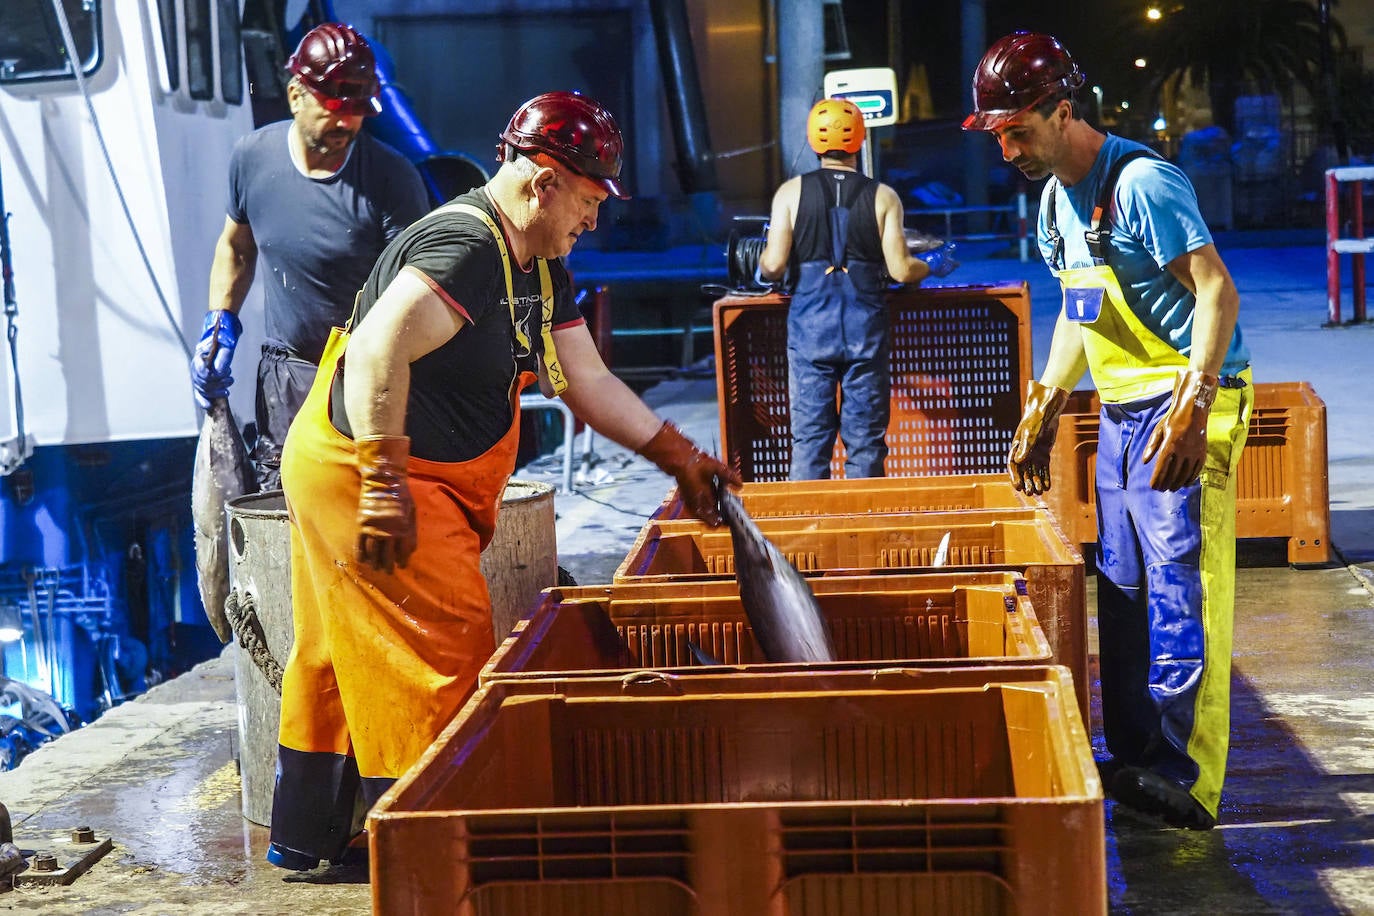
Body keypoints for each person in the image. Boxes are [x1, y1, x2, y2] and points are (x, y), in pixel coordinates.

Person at [264, 90, 741, 870]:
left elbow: (584, 378)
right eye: (589, 201)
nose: (594, 221)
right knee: (440, 659)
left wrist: (680, 457)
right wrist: (384, 484)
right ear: (543, 181)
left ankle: (306, 834)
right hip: (376, 469)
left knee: (333, 651)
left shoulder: (539, 265)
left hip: (365, 462)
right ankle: (422, 850)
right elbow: (379, 349)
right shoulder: (467, 245)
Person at [964, 32, 1253, 830]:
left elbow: (1215, 293)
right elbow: (1078, 305)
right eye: (998, 134)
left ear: (1064, 111)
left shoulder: (1143, 183)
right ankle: (1132, 759)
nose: (1008, 148)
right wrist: (1045, 402)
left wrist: (1194, 406)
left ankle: (1186, 776)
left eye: (1018, 129)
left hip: (1185, 401)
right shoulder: (1056, 199)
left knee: (1179, 585)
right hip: (1121, 409)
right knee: (1121, 588)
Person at [190, 22, 429, 490]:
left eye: (357, 111)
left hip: (365, 378)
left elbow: (416, 299)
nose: (346, 124)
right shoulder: (252, 158)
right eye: (334, 108)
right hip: (286, 378)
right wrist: (220, 320)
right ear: (296, 93)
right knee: (282, 522)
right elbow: (237, 247)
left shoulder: (392, 180)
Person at [757, 98, 951, 480]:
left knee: (810, 441)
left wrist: (760, 264)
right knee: (865, 442)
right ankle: (865, 530)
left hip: (810, 332)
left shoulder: (789, 194)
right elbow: (900, 268)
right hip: (865, 330)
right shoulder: (883, 196)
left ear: (813, 143)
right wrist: (934, 264)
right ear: (860, 141)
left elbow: (773, 265)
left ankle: (807, 533)